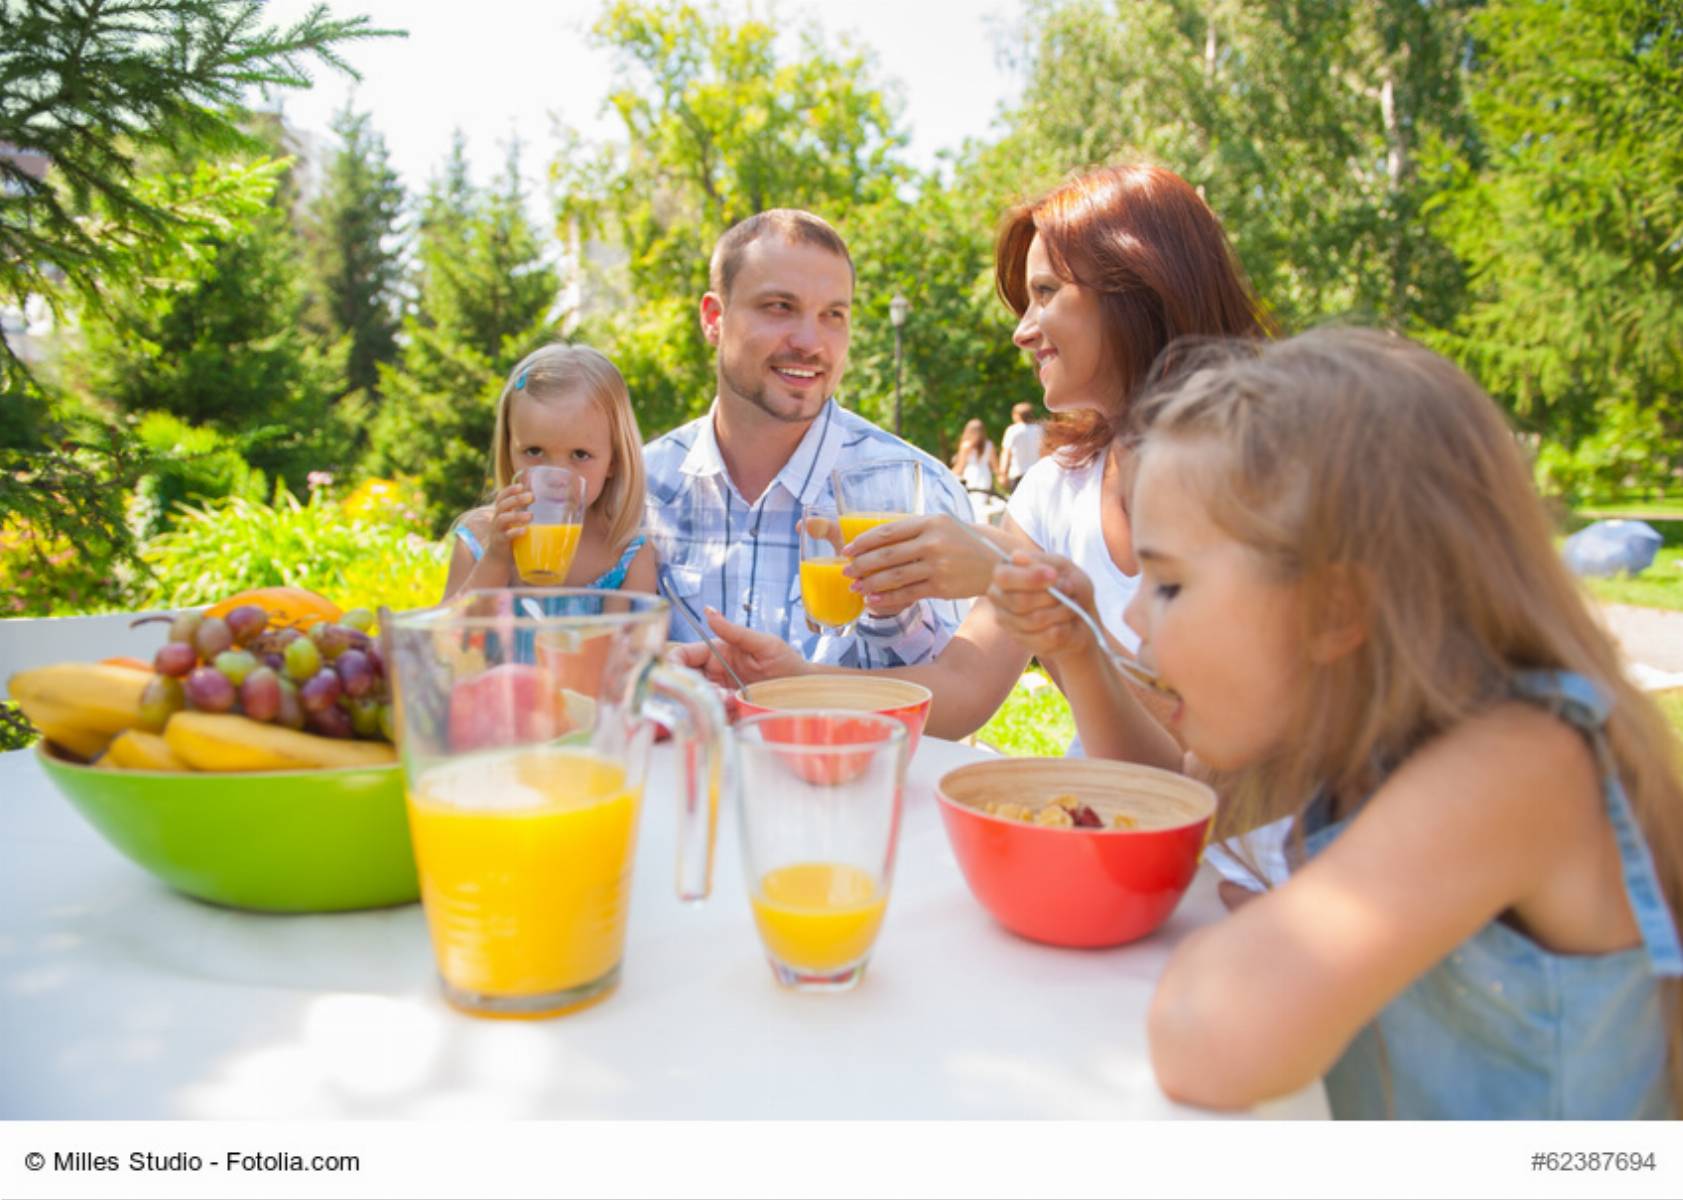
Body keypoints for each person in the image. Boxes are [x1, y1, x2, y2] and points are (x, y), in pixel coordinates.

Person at [994, 328, 1683, 1119]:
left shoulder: (1520, 761)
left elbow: (1203, 1039)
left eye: (1171, 584)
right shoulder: (1341, 732)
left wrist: (1275, 938)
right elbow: (1170, 821)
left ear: (1334, 610)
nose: (1140, 621)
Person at [678, 165, 1268, 754]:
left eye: (1045, 294)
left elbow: (1226, 756)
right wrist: (795, 681)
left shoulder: (1266, 473)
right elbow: (962, 687)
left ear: (1139, 286)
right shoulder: (1051, 492)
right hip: (1103, 826)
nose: (1022, 331)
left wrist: (1023, 583)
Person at [646, 209, 971, 670]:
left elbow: (948, 701)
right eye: (780, 307)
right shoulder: (640, 488)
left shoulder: (920, 492)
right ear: (714, 318)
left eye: (833, 315)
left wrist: (891, 605)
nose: (810, 341)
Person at [441, 343, 657, 599]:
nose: (555, 476)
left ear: (614, 461)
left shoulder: (626, 553)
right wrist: (497, 559)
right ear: (509, 448)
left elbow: (632, 637)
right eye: (533, 451)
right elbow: (450, 631)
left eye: (580, 455)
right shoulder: (481, 535)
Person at [951, 417, 1000, 521]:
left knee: (972, 503)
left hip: (971, 475)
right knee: (982, 502)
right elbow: (995, 466)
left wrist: (949, 474)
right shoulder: (989, 445)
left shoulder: (966, 445)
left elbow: (960, 467)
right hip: (984, 474)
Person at [998, 402, 1042, 493]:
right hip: (1037, 473)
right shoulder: (1039, 429)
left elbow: (1006, 453)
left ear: (1016, 415)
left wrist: (1003, 473)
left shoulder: (1013, 430)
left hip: (1018, 473)